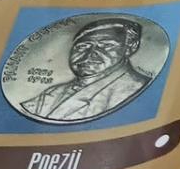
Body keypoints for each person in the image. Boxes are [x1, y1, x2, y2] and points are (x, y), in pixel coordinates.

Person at [20, 18, 152, 122]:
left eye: (106, 45)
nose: (90, 54)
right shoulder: (52, 93)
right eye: (83, 46)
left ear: (130, 48)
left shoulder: (139, 89)